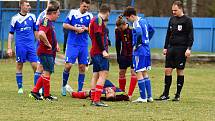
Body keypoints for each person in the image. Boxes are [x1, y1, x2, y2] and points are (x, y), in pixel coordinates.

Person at [156, 0, 194, 101]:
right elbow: (168, 34)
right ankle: (165, 94)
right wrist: (165, 47)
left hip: (181, 49)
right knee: (167, 70)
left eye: (175, 10)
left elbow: (191, 36)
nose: (173, 12)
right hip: (171, 48)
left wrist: (189, 48)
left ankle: (177, 95)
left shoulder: (188, 20)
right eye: (172, 10)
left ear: (181, 8)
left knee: (179, 71)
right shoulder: (172, 19)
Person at [29, 2, 60, 101]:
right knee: (47, 72)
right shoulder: (46, 21)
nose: (58, 16)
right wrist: (48, 44)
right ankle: (38, 92)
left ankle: (43, 94)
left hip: (48, 52)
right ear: (53, 13)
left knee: (46, 72)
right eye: (58, 14)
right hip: (45, 51)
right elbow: (41, 34)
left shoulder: (49, 22)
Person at [61, 0, 93, 96]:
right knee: (68, 65)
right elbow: (65, 25)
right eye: (84, 6)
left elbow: (92, 29)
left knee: (82, 67)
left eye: (87, 7)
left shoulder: (90, 16)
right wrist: (76, 29)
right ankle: (63, 85)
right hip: (72, 44)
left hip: (83, 45)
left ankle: (79, 90)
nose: (86, 8)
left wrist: (86, 29)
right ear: (80, 4)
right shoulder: (73, 13)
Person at [123, 6, 155, 103]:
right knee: (144, 72)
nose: (128, 21)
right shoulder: (144, 20)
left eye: (128, 18)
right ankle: (149, 96)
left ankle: (143, 97)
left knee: (138, 72)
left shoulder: (136, 23)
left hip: (140, 50)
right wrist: (147, 40)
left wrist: (137, 45)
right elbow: (152, 30)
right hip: (146, 49)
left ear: (132, 16)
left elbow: (139, 33)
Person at [7, 0, 38, 94]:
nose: (29, 7)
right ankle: (20, 87)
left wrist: (39, 43)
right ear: (21, 6)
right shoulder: (15, 18)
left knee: (35, 65)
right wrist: (9, 47)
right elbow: (11, 34)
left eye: (29, 5)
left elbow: (36, 31)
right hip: (20, 45)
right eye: (27, 5)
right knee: (20, 65)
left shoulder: (32, 17)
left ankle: (37, 87)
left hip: (31, 45)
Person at [89, 4, 111, 107]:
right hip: (99, 52)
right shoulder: (98, 20)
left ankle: (93, 98)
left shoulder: (93, 20)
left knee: (95, 75)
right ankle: (97, 100)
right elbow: (97, 35)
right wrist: (103, 50)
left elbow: (92, 35)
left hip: (94, 51)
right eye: (109, 14)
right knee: (103, 74)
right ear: (107, 12)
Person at [115, 15, 137, 100]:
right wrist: (118, 55)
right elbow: (117, 43)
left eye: (121, 28)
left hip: (132, 54)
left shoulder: (132, 30)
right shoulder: (117, 31)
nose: (120, 30)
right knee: (121, 72)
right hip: (123, 54)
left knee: (133, 72)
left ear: (124, 24)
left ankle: (130, 95)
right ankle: (122, 92)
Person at [65, 80, 129, 101]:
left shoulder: (101, 93)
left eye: (107, 93)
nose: (108, 91)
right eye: (110, 92)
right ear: (115, 94)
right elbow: (126, 97)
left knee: (88, 93)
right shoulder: (119, 92)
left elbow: (89, 94)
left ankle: (72, 93)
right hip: (107, 83)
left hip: (99, 85)